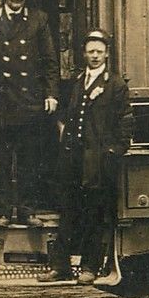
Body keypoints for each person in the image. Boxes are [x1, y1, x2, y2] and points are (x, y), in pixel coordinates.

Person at [42, 31, 133, 284]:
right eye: (90, 51)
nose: (94, 56)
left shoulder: (115, 85)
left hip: (98, 162)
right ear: (84, 54)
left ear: (106, 54)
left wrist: (114, 151)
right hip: (74, 160)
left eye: (99, 52)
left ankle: (89, 268)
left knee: (95, 215)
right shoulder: (78, 81)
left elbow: (125, 122)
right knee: (68, 212)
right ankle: (59, 266)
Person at [0, 0, 59, 226]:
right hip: (0, 102)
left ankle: (27, 211)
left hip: (29, 101)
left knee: (29, 159)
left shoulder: (39, 20)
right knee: (1, 159)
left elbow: (50, 61)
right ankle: (4, 212)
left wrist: (51, 94)